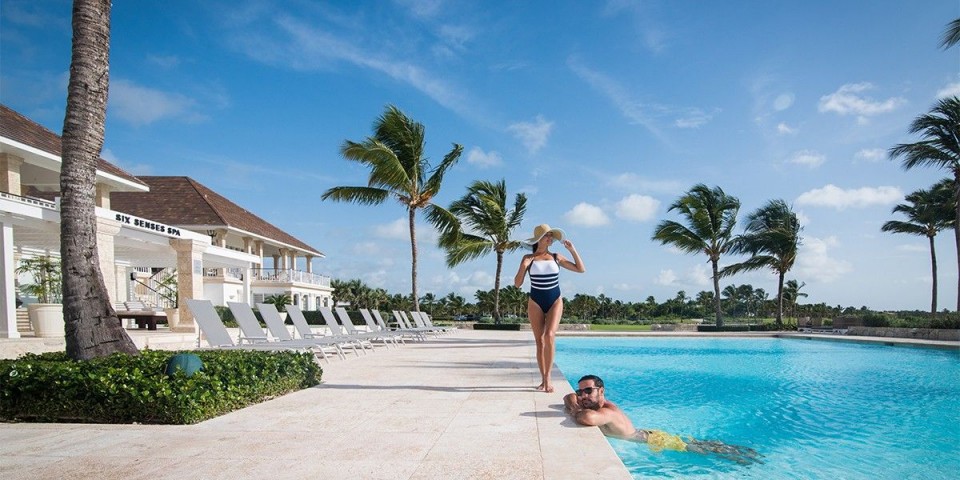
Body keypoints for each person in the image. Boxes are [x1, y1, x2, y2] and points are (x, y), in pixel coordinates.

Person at [564, 375, 762, 465]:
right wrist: (575, 400)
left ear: (602, 391)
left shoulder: (607, 412)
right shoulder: (596, 405)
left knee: (700, 450)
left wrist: (575, 408)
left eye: (588, 391)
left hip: (653, 440)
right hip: (649, 434)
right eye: (580, 391)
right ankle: (735, 452)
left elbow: (587, 418)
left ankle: (741, 456)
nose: (583, 395)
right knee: (697, 444)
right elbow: (567, 398)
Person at [514, 224, 585, 393]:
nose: (550, 238)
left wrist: (572, 250)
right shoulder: (528, 257)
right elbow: (517, 284)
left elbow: (580, 269)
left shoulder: (556, 256)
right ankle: (543, 379)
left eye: (551, 236)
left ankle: (548, 379)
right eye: (548, 235)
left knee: (550, 335)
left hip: (555, 300)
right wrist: (524, 266)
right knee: (539, 342)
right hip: (535, 302)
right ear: (539, 239)